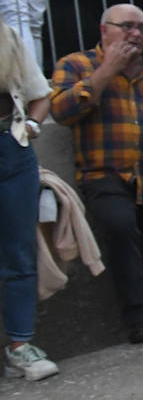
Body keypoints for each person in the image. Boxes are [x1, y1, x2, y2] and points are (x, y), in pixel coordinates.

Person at [50, 3, 143, 343]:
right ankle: (139, 320)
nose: (136, 33)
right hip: (106, 175)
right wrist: (107, 70)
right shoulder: (75, 65)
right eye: (126, 26)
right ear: (105, 31)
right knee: (121, 230)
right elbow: (61, 110)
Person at [0, 21, 59, 380]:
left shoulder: (5, 36)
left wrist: (31, 128)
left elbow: (41, 94)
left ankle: (20, 346)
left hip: (11, 147)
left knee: (19, 253)